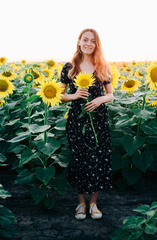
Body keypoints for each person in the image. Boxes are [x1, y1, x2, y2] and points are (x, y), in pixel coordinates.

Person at [60, 28, 114, 220]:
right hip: (77, 121)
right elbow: (60, 95)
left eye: (93, 41)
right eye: (85, 40)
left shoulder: (102, 66)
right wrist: (74, 96)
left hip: (99, 121)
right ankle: (81, 203)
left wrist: (99, 100)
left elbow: (110, 94)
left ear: (96, 44)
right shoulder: (69, 67)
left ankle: (93, 203)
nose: (89, 43)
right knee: (80, 161)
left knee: (98, 160)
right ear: (79, 42)